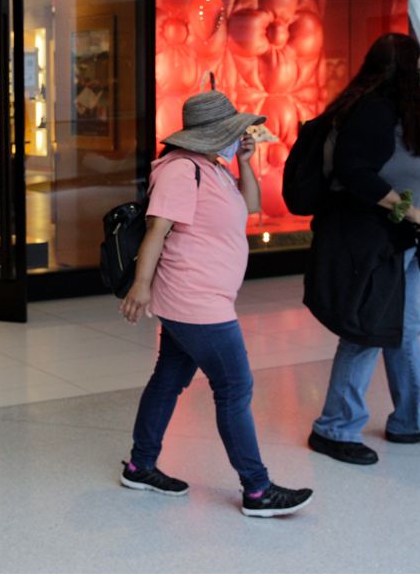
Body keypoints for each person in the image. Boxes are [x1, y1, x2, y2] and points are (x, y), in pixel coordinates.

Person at [119, 90, 314, 518]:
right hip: (196, 302)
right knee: (234, 388)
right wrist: (141, 285)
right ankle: (258, 490)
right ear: (210, 134)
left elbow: (253, 206)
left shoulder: (214, 169)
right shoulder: (179, 170)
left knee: (168, 380)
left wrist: (244, 162)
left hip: (201, 299)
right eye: (232, 133)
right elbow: (156, 230)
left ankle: (140, 465)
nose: (238, 137)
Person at [305, 33, 420, 465]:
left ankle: (410, 417)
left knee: (406, 327)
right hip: (372, 242)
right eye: (416, 68)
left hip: (396, 243)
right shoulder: (372, 111)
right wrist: (412, 212)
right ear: (402, 71)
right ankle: (334, 427)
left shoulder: (387, 110)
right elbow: (355, 173)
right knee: (366, 332)